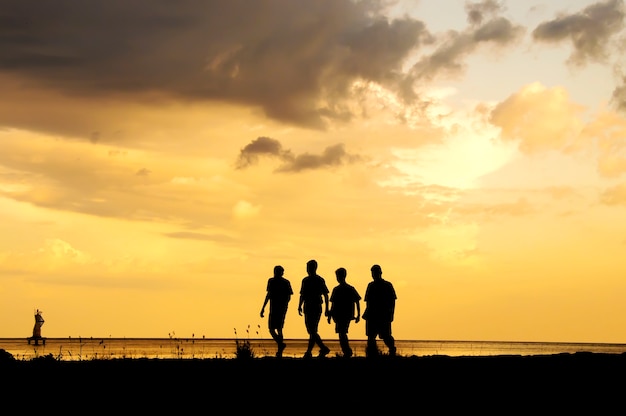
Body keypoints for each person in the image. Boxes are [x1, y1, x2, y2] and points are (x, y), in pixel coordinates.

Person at [298, 259, 331, 358]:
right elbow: (302, 294)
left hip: (315, 306)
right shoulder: (305, 280)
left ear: (314, 268)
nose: (308, 270)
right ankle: (312, 351)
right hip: (308, 306)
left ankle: (316, 349)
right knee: (311, 330)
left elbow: (325, 295)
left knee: (312, 330)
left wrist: (326, 309)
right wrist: (299, 305)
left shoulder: (319, 280)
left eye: (309, 268)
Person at [363, 264, 397, 357]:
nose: (374, 275)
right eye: (373, 273)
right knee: (371, 337)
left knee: (386, 336)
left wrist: (391, 313)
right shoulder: (371, 285)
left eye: (375, 273)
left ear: (380, 273)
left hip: (383, 315)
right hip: (372, 315)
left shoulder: (387, 285)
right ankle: (372, 354)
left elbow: (392, 301)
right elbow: (367, 301)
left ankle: (392, 350)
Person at [327, 267, 361, 358]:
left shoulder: (344, 289)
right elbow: (333, 303)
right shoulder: (340, 289)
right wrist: (330, 315)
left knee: (342, 332)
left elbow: (357, 301)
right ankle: (346, 351)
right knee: (342, 332)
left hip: (344, 314)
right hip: (340, 315)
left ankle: (347, 351)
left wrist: (358, 315)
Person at [260, 265, 293, 357]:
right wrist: (263, 308)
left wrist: (284, 305)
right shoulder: (271, 281)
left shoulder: (285, 282)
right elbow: (269, 295)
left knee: (279, 329)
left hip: (280, 308)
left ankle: (280, 349)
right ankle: (280, 344)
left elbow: (289, 296)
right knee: (272, 329)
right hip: (273, 308)